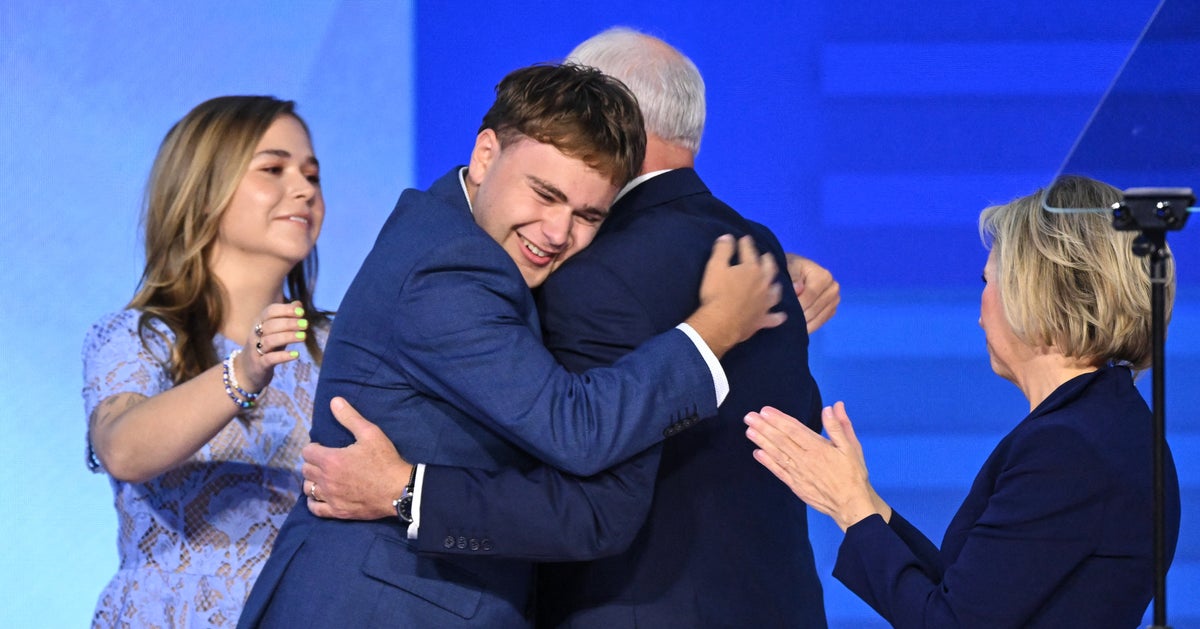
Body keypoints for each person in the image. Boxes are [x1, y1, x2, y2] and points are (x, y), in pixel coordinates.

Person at [302, 28, 836, 628]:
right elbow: (576, 429)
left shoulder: (584, 265)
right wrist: (712, 327)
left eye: (586, 214)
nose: (558, 234)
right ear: (486, 155)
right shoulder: (747, 251)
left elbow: (600, 497)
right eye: (544, 193)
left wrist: (406, 490)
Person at [745, 175, 1181, 628]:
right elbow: (972, 596)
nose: (980, 308)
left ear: (1037, 290)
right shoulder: (1103, 424)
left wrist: (850, 507)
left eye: (987, 279)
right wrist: (865, 503)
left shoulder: (1070, 449)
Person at [81, 96, 329, 627]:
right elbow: (122, 449)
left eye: (312, 174)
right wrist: (244, 371)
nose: (305, 189)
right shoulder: (138, 337)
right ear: (202, 190)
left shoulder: (340, 347)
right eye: (274, 169)